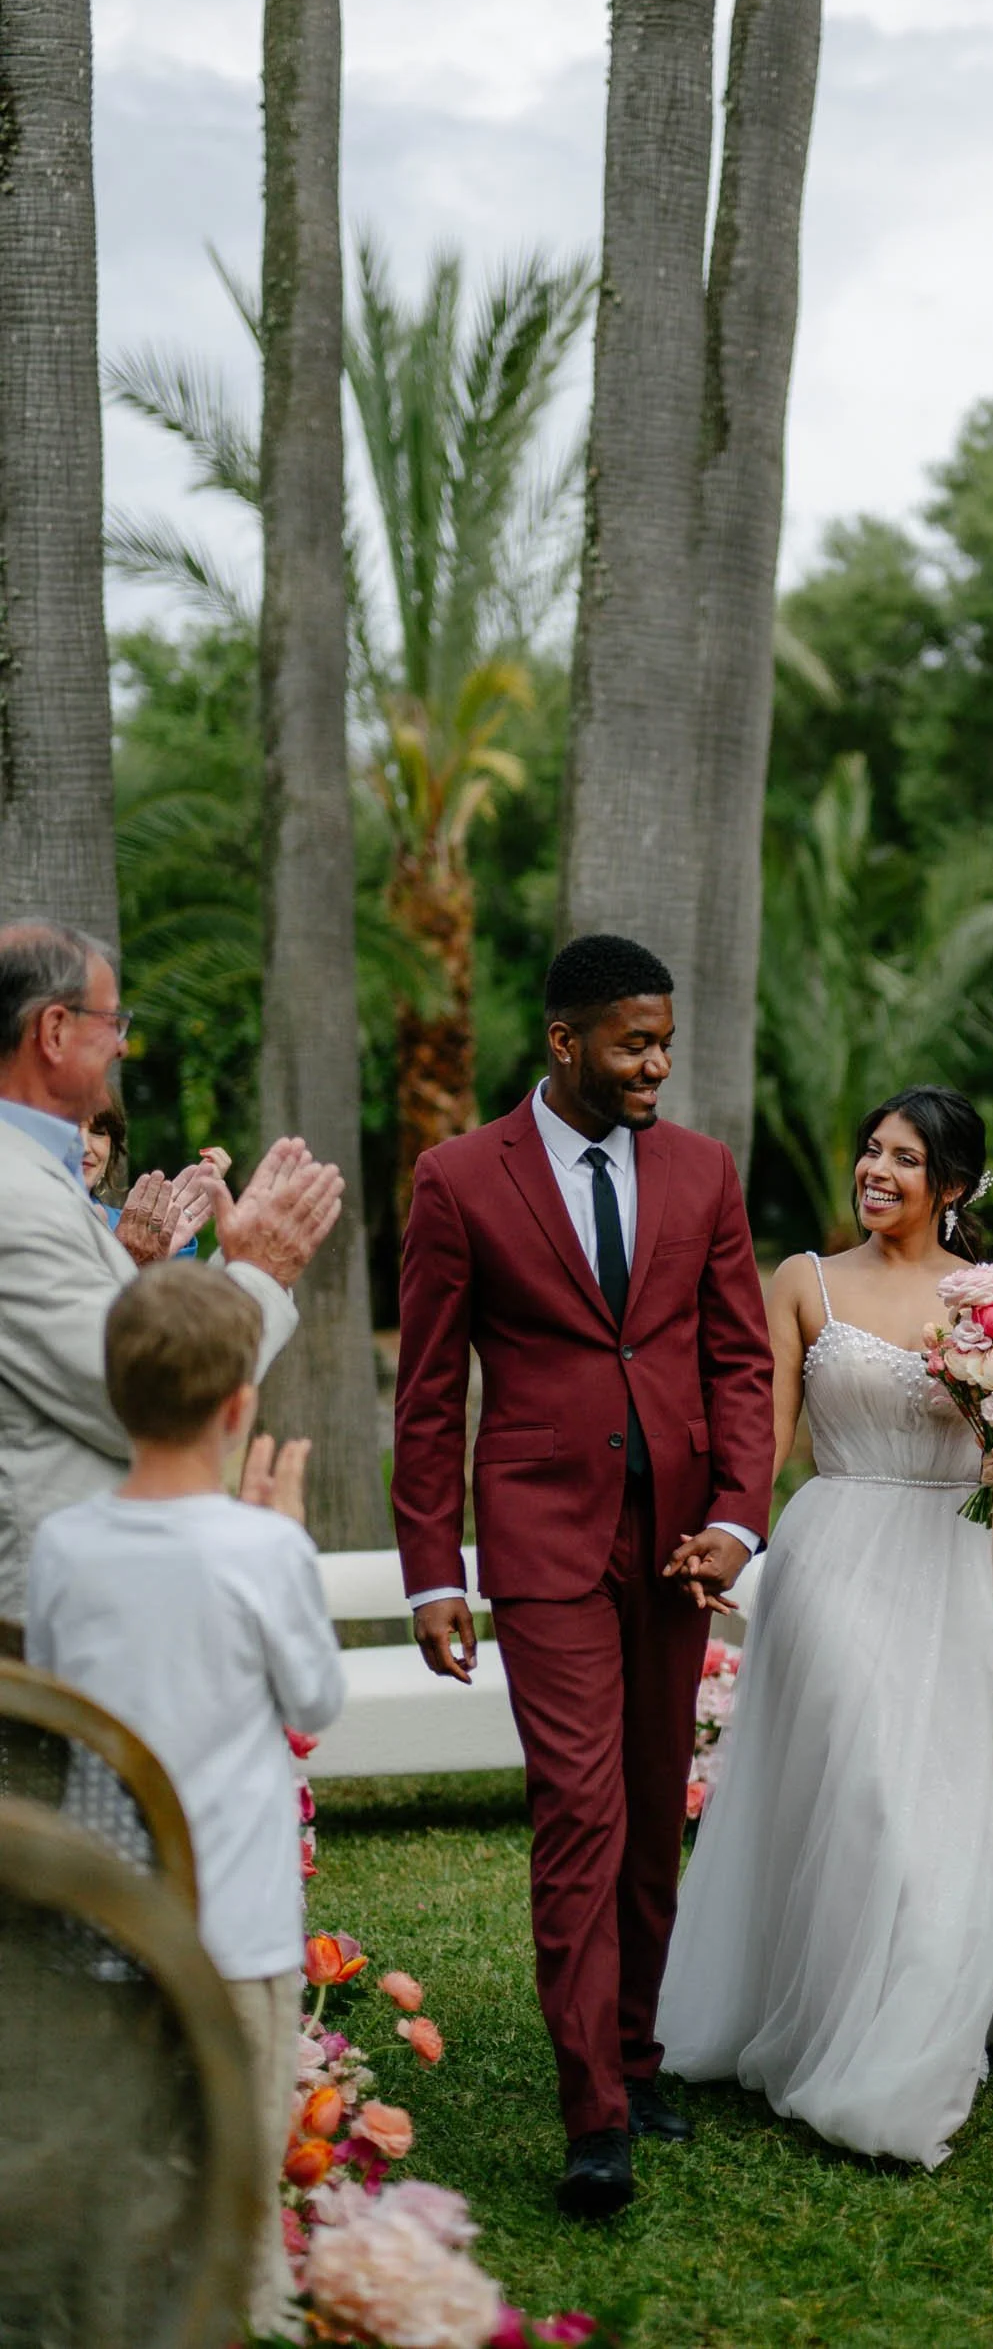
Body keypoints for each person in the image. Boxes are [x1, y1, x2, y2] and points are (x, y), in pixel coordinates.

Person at [393, 933, 775, 2222]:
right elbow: (430, 1394)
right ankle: (592, 2115)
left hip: (673, 1543)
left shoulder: (703, 1170)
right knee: (578, 1811)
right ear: (564, 1042)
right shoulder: (457, 1180)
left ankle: (637, 2054)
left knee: (655, 1805)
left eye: (664, 1041)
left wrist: (736, 1516)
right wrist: (428, 1573)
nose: (655, 1065)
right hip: (543, 1543)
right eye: (631, 1043)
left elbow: (738, 1363)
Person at [656, 1086, 993, 2168]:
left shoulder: (988, 1297)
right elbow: (764, 1438)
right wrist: (729, 1534)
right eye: (869, 1150)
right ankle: (828, 2007)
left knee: (939, 1800)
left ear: (949, 1185)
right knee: (864, 1784)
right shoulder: (802, 1280)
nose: (875, 1170)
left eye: (903, 1158)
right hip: (835, 1552)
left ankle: (909, 2024)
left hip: (951, 1559)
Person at [25, 1260, 344, 2338]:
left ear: (116, 1396)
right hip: (236, 1919)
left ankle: (113, 2298)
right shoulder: (261, 1547)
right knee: (240, 2139)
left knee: (126, 2129)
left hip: (109, 1905)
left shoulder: (62, 1545)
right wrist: (285, 1537)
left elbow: (69, 1687)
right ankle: (243, 2302)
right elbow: (315, 1697)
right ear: (239, 1402)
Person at [0, 921, 344, 1625]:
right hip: (45, 1636)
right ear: (55, 1031)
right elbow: (141, 1397)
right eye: (112, 1019)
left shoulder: (37, 1175)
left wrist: (237, 1269)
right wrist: (257, 1273)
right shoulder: (12, 1192)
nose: (123, 1043)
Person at [80, 1090, 227, 1258]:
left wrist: (165, 1245)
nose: (84, 1147)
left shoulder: (142, 1231)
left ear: (113, 1146)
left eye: (98, 1132)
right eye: (71, 1130)